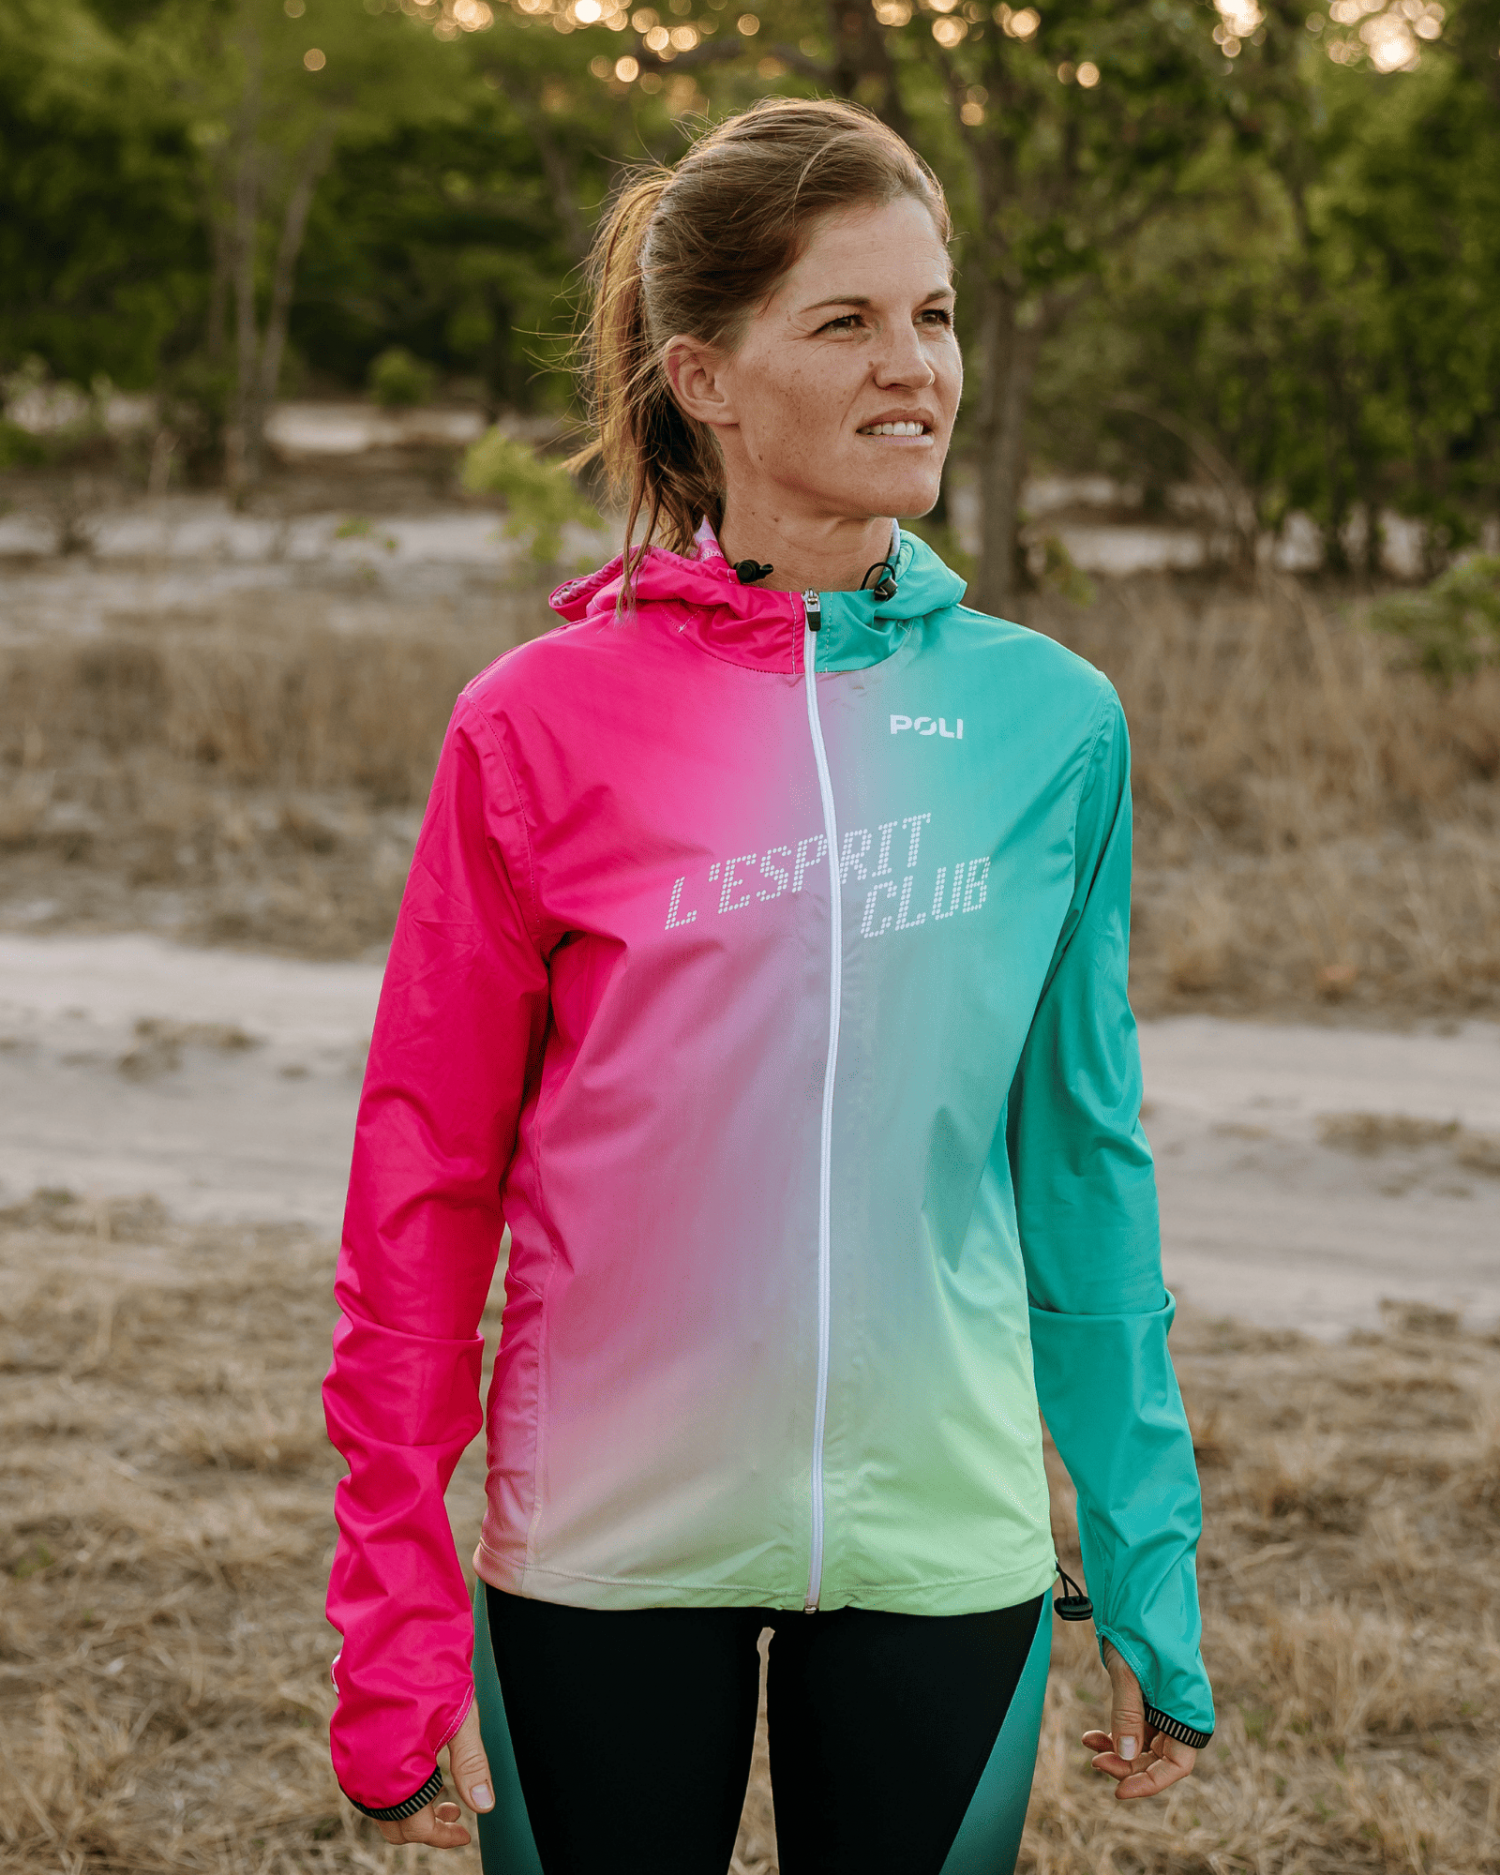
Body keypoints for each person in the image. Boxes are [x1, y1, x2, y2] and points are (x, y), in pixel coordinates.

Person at [322, 97, 1213, 1875]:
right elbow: (421, 1188)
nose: (915, 367)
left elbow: (1084, 1168)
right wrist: (394, 1617)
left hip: (942, 1542)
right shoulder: (534, 724)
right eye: (847, 320)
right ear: (705, 378)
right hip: (601, 1540)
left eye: (933, 315)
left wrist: (1142, 1557)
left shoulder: (1053, 724)